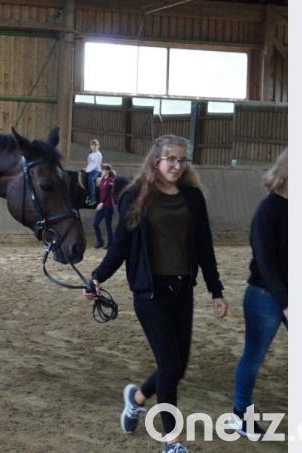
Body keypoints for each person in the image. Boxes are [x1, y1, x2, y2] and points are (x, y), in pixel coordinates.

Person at [84, 135, 229, 453]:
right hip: (150, 294)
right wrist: (97, 276)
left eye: (182, 160)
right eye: (170, 159)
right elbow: (120, 245)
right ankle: (172, 441)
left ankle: (136, 399)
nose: (177, 165)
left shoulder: (192, 197)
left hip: (182, 290)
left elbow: (204, 247)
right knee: (168, 364)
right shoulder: (136, 196)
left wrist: (215, 290)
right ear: (156, 160)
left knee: (178, 366)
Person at [229, 149, 288, 439]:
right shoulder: (268, 210)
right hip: (265, 296)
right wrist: (286, 302)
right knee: (254, 357)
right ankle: (240, 415)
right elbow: (266, 262)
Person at [92, 163, 116, 249]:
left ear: (108, 171)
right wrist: (99, 202)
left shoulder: (111, 181)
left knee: (108, 226)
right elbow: (100, 193)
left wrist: (101, 203)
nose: (102, 171)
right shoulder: (102, 180)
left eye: (104, 170)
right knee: (95, 223)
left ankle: (110, 244)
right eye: (102, 170)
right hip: (102, 206)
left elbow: (108, 193)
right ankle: (100, 241)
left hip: (108, 206)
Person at [85, 138, 103, 206]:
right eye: (92, 145)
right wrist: (86, 169)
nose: (94, 146)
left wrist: (88, 170)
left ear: (98, 146)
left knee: (90, 179)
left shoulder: (99, 154)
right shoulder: (90, 154)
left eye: (95, 145)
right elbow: (89, 163)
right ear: (90, 146)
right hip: (90, 169)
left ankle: (93, 199)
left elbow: (95, 165)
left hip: (96, 170)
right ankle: (87, 195)